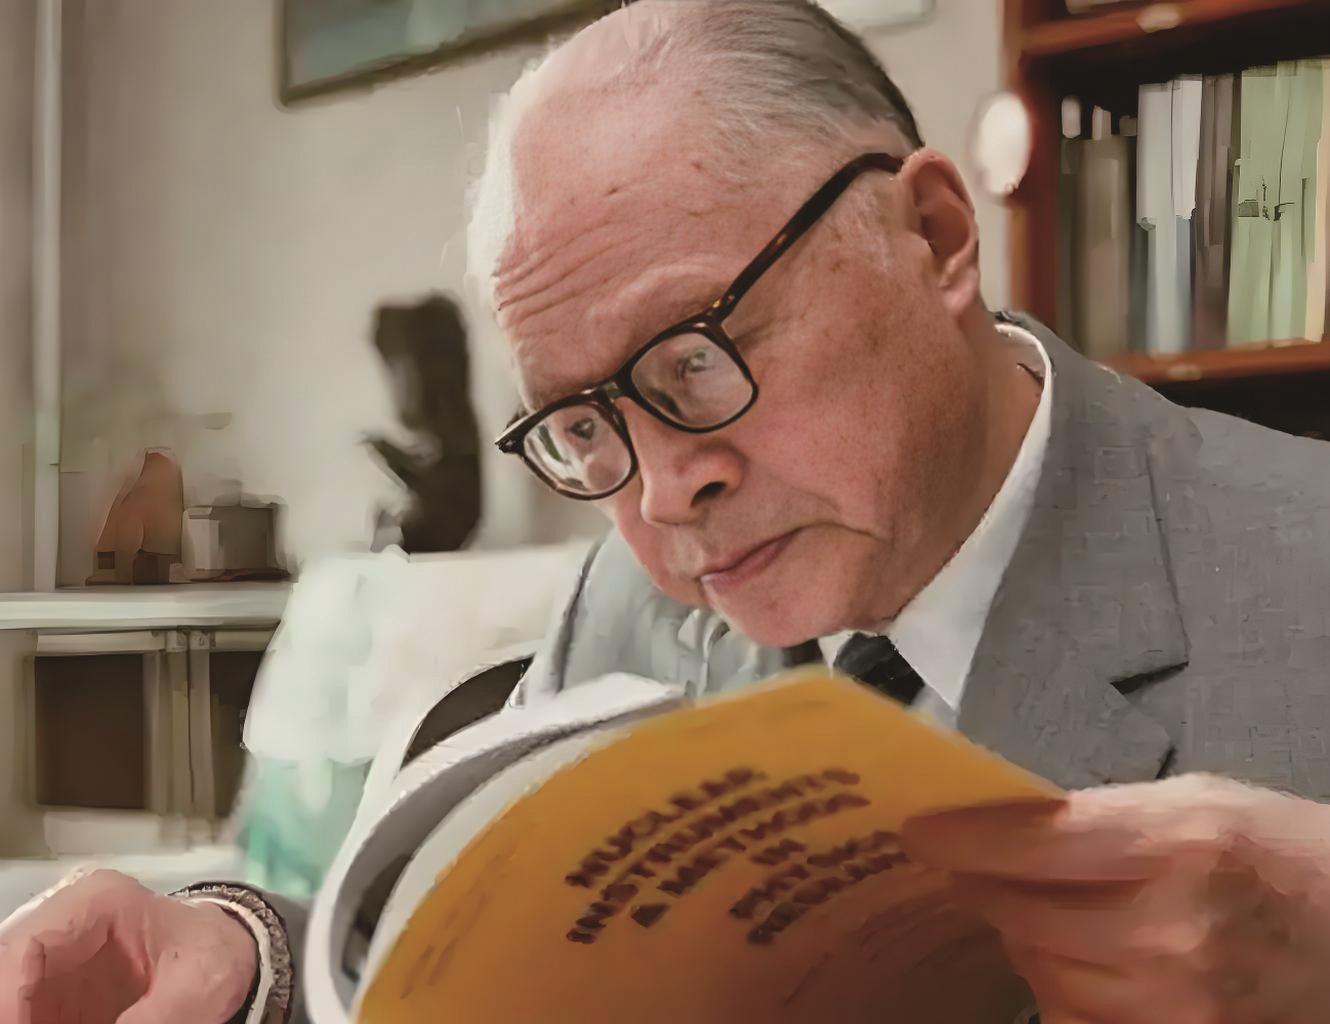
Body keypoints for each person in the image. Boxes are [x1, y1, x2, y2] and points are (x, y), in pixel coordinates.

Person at [5, 2, 1330, 1022]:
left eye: (695, 360)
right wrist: (248, 957)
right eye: (585, 427)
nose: (660, 495)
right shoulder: (628, 600)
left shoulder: (1299, 570)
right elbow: (485, 965)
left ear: (931, 235)